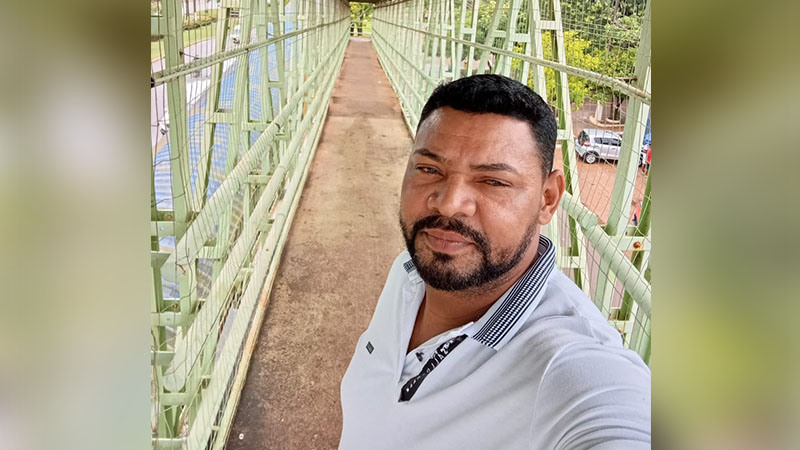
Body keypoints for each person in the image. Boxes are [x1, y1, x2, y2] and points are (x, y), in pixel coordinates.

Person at [339, 74, 651, 449]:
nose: (450, 203)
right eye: (429, 169)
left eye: (493, 182)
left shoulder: (569, 369)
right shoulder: (407, 274)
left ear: (548, 199)